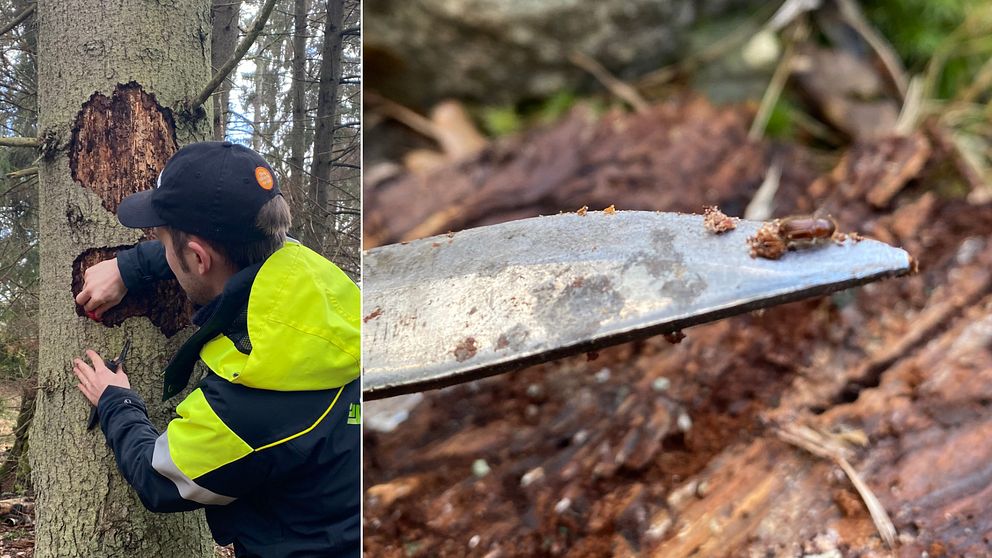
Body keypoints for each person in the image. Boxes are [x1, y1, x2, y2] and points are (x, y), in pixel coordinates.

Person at [70, 141, 361, 557]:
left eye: (165, 245)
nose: (164, 253)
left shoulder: (248, 403)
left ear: (198, 258)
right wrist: (130, 266)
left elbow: (161, 480)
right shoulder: (317, 283)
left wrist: (116, 401)